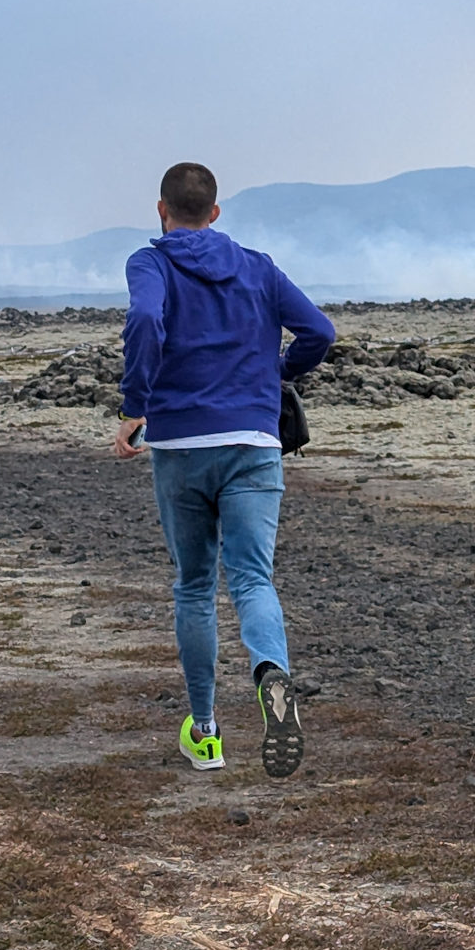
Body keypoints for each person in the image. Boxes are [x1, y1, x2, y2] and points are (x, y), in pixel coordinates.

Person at [114, 163, 335, 778]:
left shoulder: (150, 263)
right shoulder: (257, 265)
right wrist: (276, 373)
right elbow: (319, 330)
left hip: (181, 446)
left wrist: (136, 406)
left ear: (162, 210)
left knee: (193, 584)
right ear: (215, 212)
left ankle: (206, 733)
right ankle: (271, 676)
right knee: (253, 579)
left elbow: (144, 322)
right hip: (253, 443)